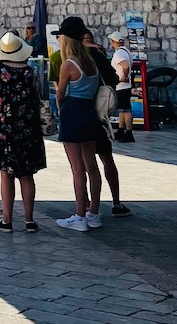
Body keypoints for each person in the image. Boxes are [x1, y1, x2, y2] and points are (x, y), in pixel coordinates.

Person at [0, 31, 47, 232]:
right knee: (27, 175)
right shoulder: (30, 72)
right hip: (28, 128)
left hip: (5, 127)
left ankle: (7, 220)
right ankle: (29, 221)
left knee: (6, 174)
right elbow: (36, 98)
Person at [54, 15, 104, 231]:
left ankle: (79, 215)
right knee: (91, 166)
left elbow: (60, 94)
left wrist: (60, 107)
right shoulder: (91, 62)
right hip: (89, 113)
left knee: (77, 169)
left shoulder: (68, 64)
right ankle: (94, 212)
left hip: (72, 112)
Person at [84, 30, 134, 218]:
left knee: (84, 164)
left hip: (83, 115)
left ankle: (88, 207)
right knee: (106, 160)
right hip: (100, 116)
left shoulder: (74, 59)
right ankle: (116, 202)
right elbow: (113, 79)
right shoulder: (100, 57)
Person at [109, 30, 134, 144]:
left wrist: (123, 76)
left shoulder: (118, 53)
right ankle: (121, 129)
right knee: (122, 109)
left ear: (113, 42)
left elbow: (124, 65)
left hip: (121, 84)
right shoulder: (126, 51)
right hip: (126, 85)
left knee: (126, 109)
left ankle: (128, 132)